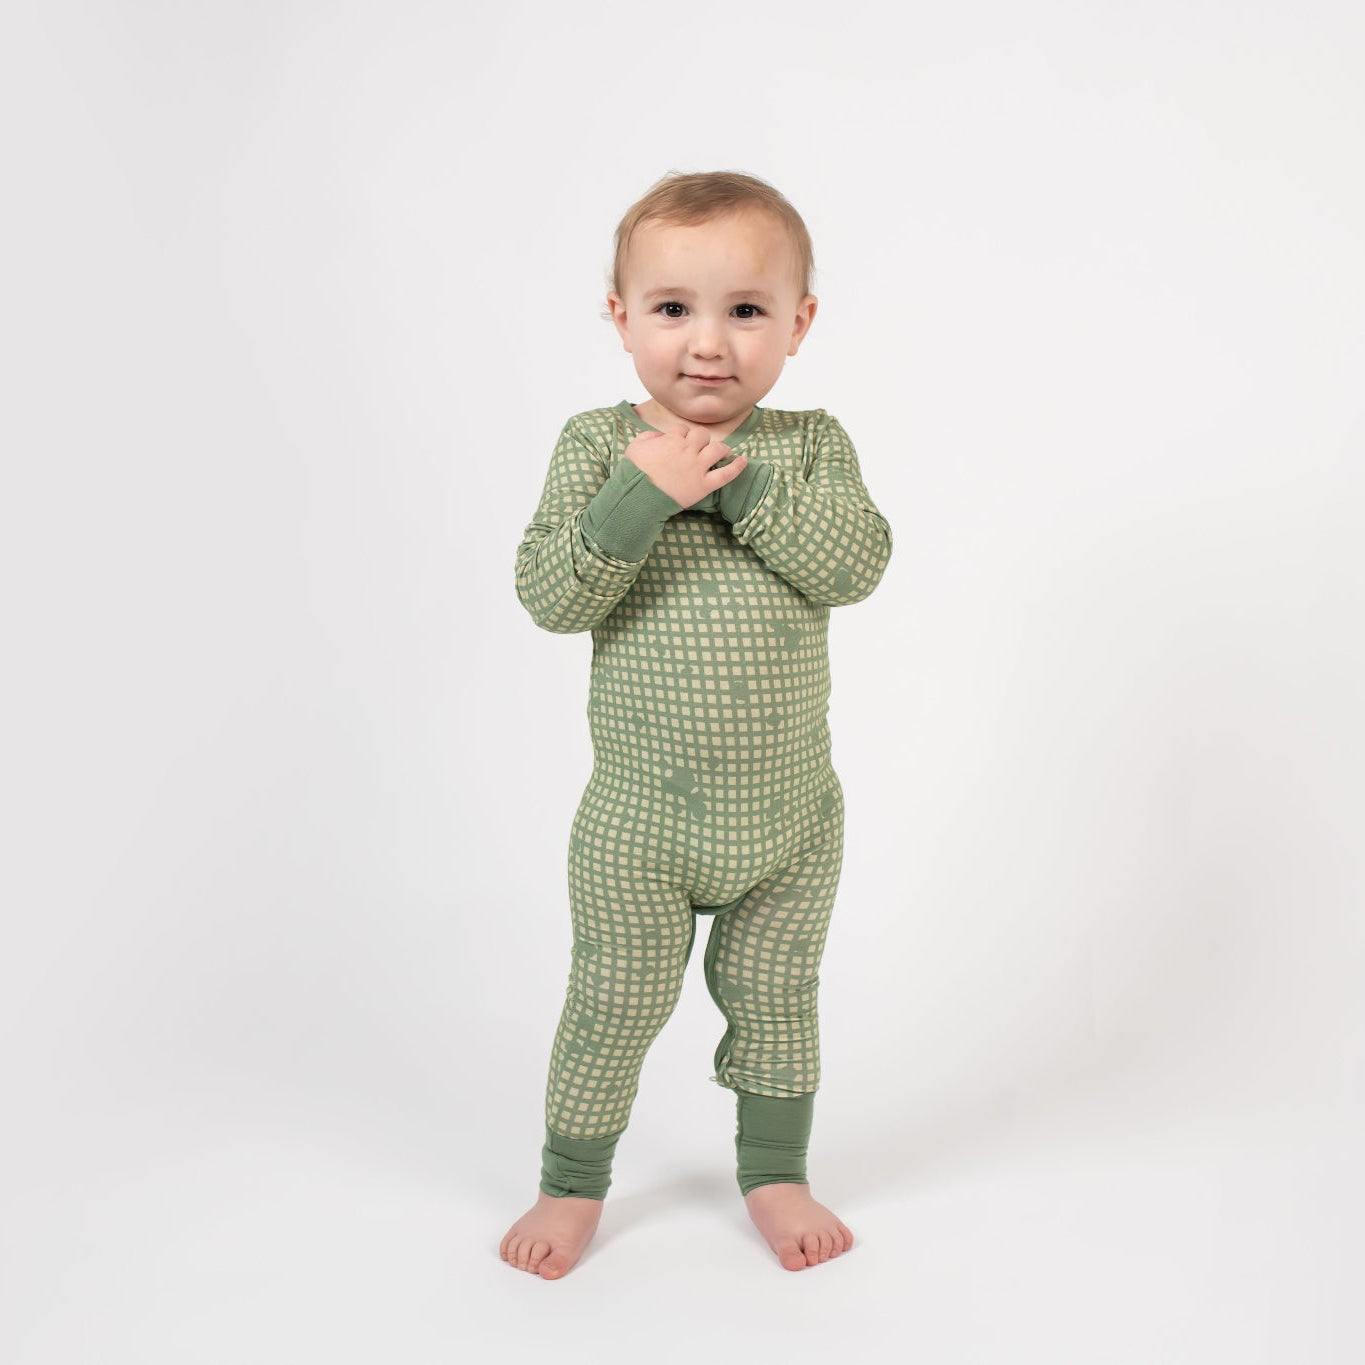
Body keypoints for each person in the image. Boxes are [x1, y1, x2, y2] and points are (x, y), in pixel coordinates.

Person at [500, 170, 893, 1278]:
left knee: (779, 996)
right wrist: (644, 493)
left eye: (747, 310)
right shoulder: (596, 446)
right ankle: (571, 1184)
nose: (708, 344)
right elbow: (550, 596)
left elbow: (856, 565)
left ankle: (776, 1171)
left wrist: (738, 485)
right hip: (641, 823)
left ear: (799, 324)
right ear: (621, 318)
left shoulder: (811, 450)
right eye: (672, 309)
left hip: (790, 820)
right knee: (614, 1003)